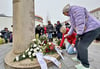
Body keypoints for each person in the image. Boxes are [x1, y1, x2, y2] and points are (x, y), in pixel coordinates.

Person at [63, 4, 100, 69]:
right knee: (77, 44)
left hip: (93, 28)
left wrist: (79, 34)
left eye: (64, 14)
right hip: (84, 30)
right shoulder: (72, 15)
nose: (65, 15)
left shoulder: (75, 10)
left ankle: (85, 65)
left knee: (82, 46)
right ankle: (79, 58)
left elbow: (80, 22)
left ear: (66, 12)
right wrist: (68, 34)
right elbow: (73, 26)